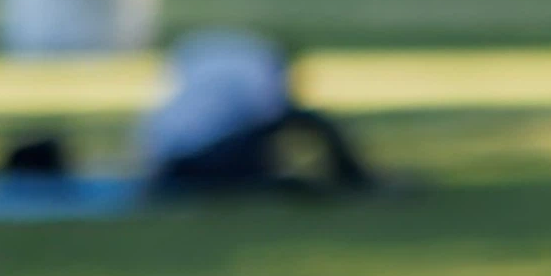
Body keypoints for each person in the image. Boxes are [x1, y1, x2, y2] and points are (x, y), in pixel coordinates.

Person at [138, 29, 380, 193]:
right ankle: (356, 178)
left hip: (170, 163)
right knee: (306, 120)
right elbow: (272, 116)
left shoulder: (206, 55)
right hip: (201, 159)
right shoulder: (262, 65)